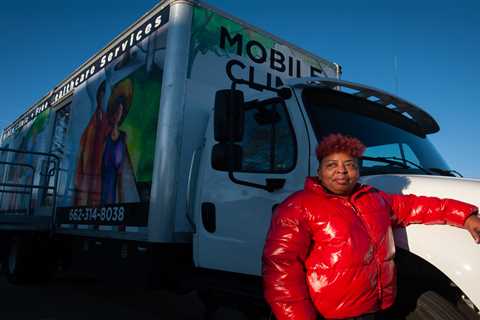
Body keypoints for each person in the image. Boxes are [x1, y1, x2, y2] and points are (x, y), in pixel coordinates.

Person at [262, 133, 480, 320]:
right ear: (319, 171)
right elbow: (282, 269)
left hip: (377, 308)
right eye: (332, 165)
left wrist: (466, 216)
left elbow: (416, 206)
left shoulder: (375, 199)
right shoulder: (298, 206)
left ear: (358, 170)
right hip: (330, 314)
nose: (341, 171)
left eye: (350, 165)